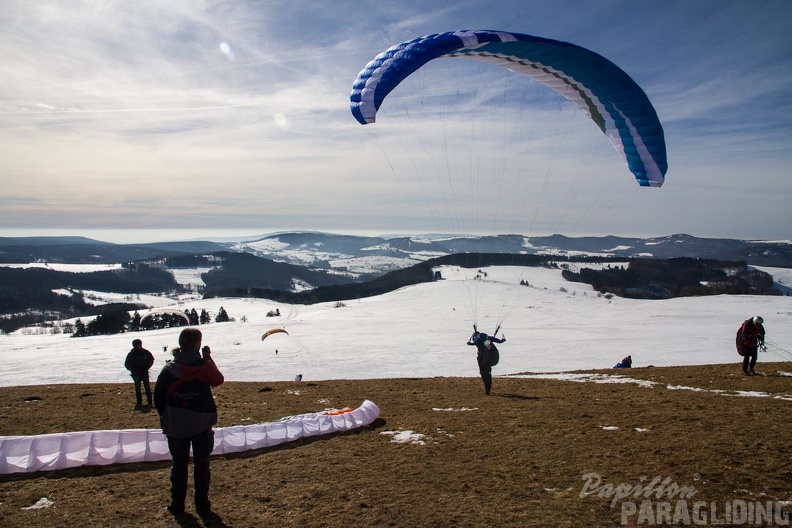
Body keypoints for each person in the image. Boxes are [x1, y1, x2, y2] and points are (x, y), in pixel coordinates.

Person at [153, 328, 224, 516]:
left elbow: (158, 398)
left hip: (176, 426)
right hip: (201, 423)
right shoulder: (203, 366)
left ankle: (177, 503)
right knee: (202, 463)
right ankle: (202, 503)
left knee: (179, 463)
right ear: (196, 344)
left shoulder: (168, 369)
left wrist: (169, 417)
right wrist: (208, 359)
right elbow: (217, 380)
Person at [467, 330, 505, 395]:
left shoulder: (478, 338)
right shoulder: (487, 338)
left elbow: (476, 342)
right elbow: (496, 340)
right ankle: (488, 389)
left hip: (483, 360)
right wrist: (502, 340)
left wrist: (470, 343)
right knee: (488, 374)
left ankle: (487, 389)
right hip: (489, 360)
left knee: (484, 374)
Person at [124, 339, 154, 408]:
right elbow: (127, 364)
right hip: (136, 373)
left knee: (147, 387)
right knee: (137, 388)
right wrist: (134, 370)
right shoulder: (131, 354)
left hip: (144, 372)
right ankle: (139, 402)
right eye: (138, 345)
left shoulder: (145, 352)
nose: (140, 346)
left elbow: (151, 359)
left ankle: (150, 402)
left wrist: (146, 367)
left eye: (140, 344)